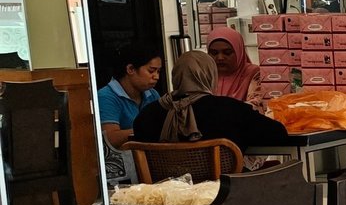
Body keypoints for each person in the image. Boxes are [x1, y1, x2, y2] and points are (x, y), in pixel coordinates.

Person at [132, 51, 289, 151]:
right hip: (223, 192)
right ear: (210, 75)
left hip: (167, 194)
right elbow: (278, 133)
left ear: (175, 75)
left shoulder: (147, 115)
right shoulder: (231, 111)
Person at [97, 42, 164, 184]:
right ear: (131, 69)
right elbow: (110, 138)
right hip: (121, 176)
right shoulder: (106, 97)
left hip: (152, 168)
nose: (156, 77)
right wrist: (142, 131)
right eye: (151, 71)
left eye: (158, 72)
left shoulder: (153, 95)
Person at [205, 26, 264, 107]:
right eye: (214, 53)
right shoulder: (203, 76)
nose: (220, 58)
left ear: (239, 52)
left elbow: (257, 103)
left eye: (227, 52)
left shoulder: (253, 73)